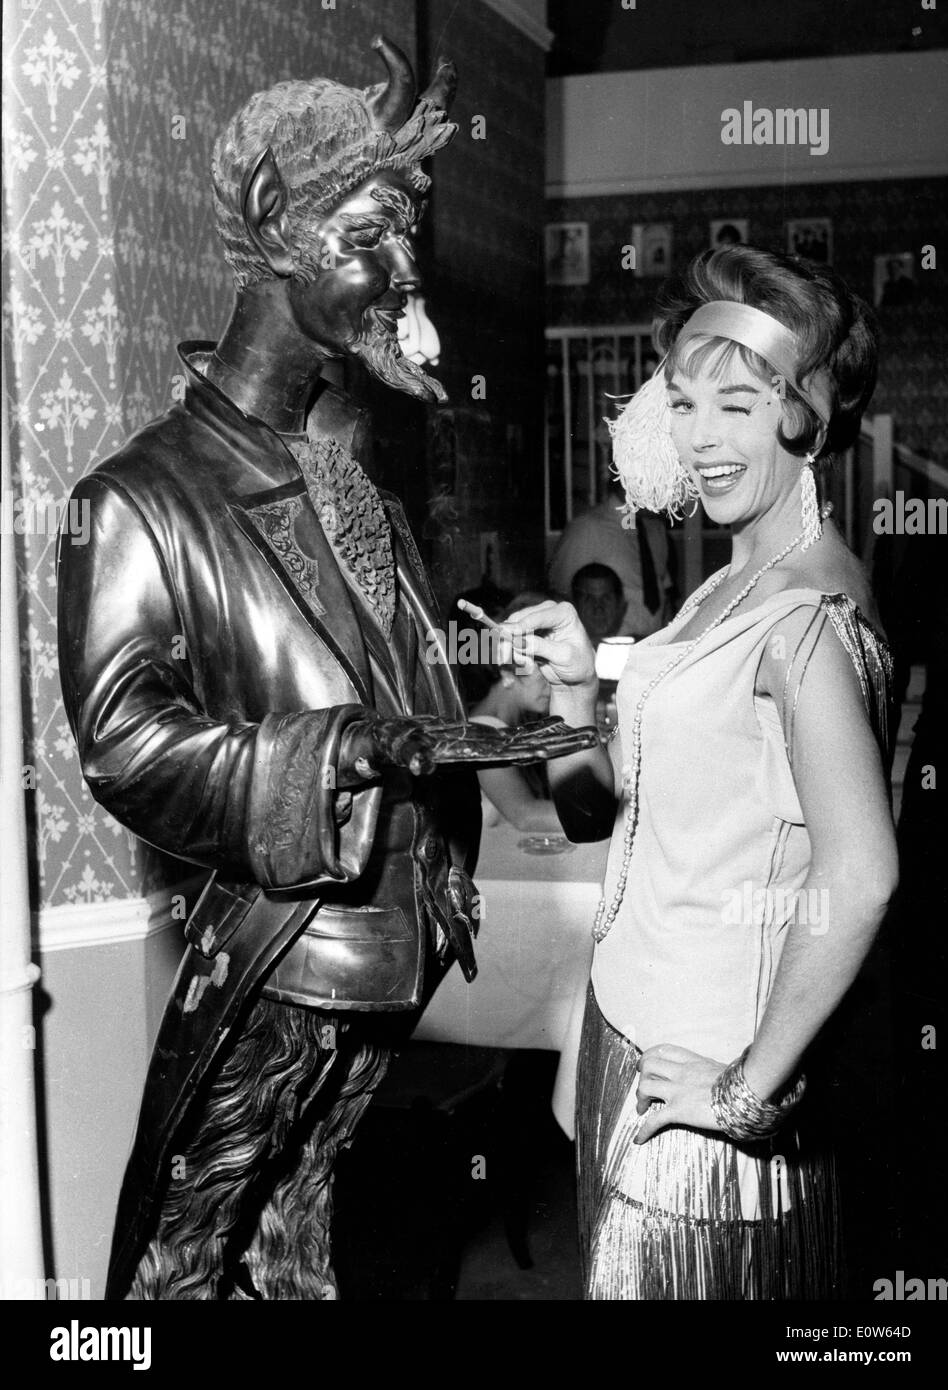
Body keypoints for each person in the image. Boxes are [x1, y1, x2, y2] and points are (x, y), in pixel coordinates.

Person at [56, 37, 584, 1301]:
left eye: (406, 236)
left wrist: (502, 713)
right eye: (368, 234)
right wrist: (332, 748)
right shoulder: (140, 497)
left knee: (297, 1257)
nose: (402, 269)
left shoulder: (359, 487)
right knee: (172, 1281)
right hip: (282, 951)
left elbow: (403, 692)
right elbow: (123, 741)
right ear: (275, 233)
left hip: (395, 953)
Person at [504, 244, 897, 1299]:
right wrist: (581, 701)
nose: (701, 437)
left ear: (803, 412)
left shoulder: (805, 618)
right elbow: (610, 822)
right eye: (683, 402)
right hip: (623, 1039)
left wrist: (747, 1093)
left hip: (703, 1081)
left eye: (736, 403)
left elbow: (862, 877)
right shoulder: (722, 586)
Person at [454, 592, 566, 835]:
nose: (553, 682)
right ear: (506, 672)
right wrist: (618, 816)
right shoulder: (480, 731)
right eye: (541, 668)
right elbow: (526, 815)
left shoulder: (511, 723)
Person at [548, 479, 674, 638]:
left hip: (650, 649)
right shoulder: (587, 527)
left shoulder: (655, 529)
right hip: (604, 651)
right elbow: (559, 595)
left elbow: (664, 597)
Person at [571, 563, 628, 648]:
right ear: (574, 607)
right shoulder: (556, 655)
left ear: (621, 607)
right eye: (589, 599)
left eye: (606, 598)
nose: (598, 608)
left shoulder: (642, 652)